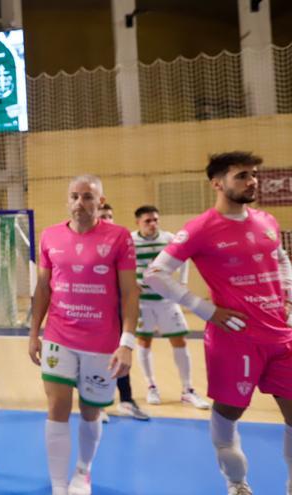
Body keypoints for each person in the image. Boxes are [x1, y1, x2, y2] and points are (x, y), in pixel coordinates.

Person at [144, 152, 292, 495]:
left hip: (281, 338)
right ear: (217, 183)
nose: (251, 181)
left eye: (253, 174)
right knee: (229, 413)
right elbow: (155, 274)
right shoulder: (200, 228)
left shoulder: (267, 220)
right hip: (234, 340)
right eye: (242, 175)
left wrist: (288, 298)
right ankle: (236, 482)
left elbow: (282, 259)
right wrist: (205, 310)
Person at [29, 176, 138, 495]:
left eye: (88, 197)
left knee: (91, 412)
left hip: (102, 342)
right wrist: (34, 334)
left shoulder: (119, 237)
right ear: (67, 201)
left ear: (100, 201)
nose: (80, 203)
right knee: (57, 406)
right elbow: (43, 288)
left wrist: (127, 343)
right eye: (74, 197)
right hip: (58, 337)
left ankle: (83, 471)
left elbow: (130, 292)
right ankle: (59, 485)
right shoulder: (49, 235)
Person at [131, 205, 209, 409]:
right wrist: (131, 282)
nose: (153, 224)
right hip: (143, 302)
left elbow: (184, 260)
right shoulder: (130, 241)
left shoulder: (168, 238)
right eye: (148, 221)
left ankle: (188, 390)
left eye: (155, 219)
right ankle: (151, 386)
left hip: (167, 300)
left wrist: (181, 282)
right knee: (144, 341)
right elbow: (124, 264)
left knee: (179, 341)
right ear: (138, 222)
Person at [97, 203, 149, 422]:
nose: (107, 219)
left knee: (121, 354)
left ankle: (126, 401)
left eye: (110, 215)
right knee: (97, 356)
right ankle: (96, 404)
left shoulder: (121, 241)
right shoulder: (88, 244)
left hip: (119, 307)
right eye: (103, 216)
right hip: (95, 309)